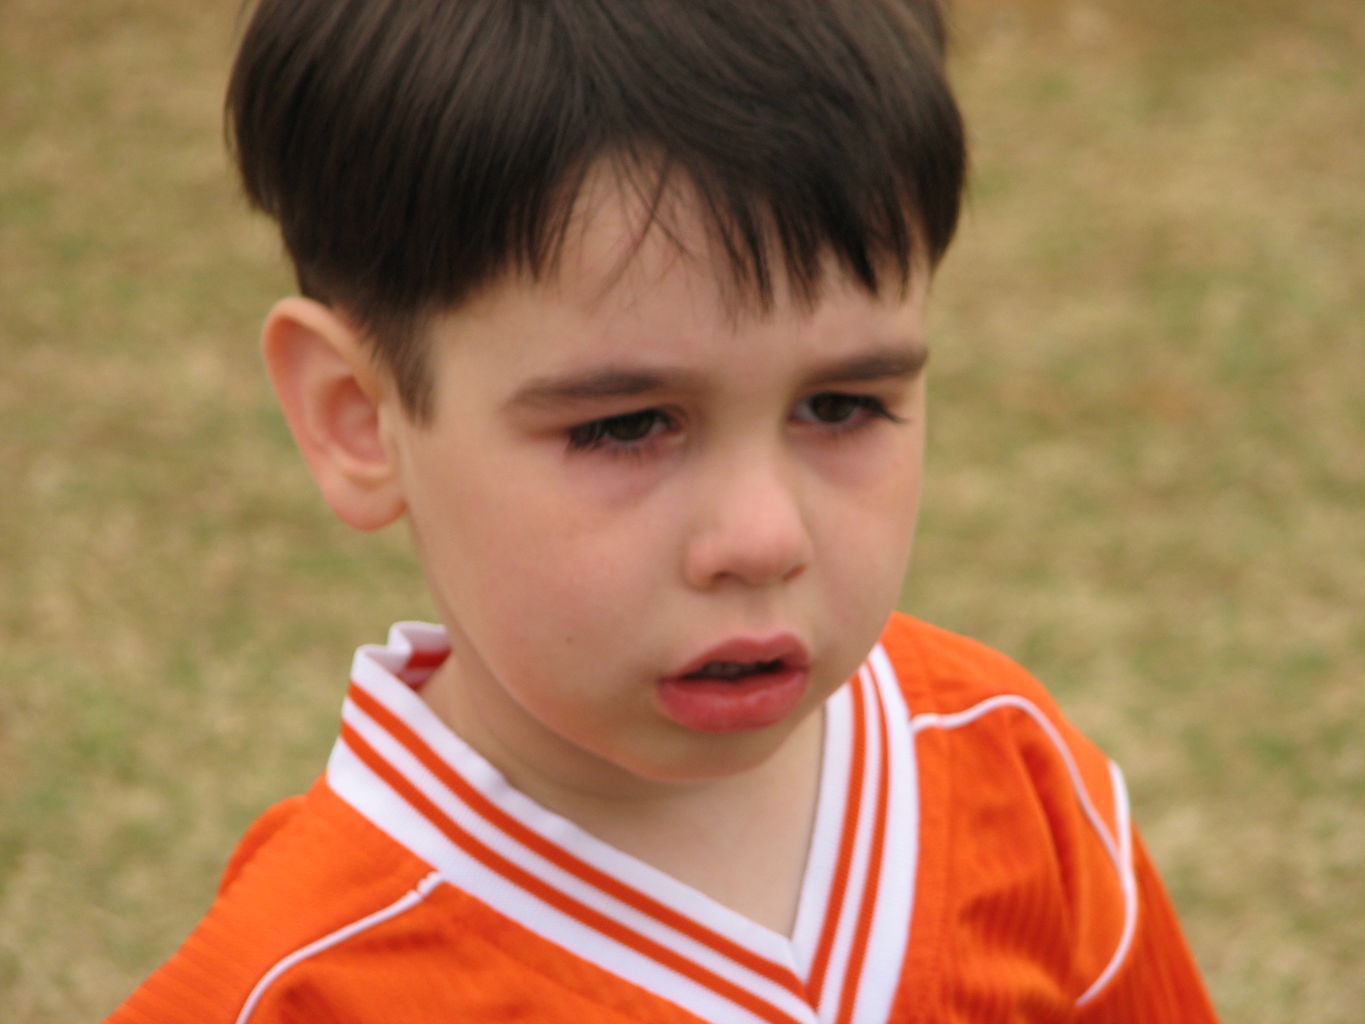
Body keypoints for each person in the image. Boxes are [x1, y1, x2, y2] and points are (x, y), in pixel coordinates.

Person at [108, 0, 1219, 1020]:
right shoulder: (302, 985)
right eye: (627, 425)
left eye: (841, 404)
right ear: (360, 415)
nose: (762, 538)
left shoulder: (1008, 768)